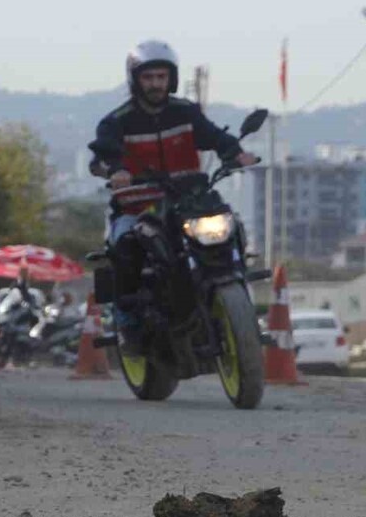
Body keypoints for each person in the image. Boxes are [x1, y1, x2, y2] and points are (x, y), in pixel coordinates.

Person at [87, 40, 259, 350]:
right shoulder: (116, 121)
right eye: (148, 77)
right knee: (127, 244)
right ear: (135, 80)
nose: (155, 84)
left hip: (188, 200)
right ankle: (127, 320)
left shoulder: (186, 112)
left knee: (230, 224)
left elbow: (214, 136)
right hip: (138, 206)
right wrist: (114, 171)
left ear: (171, 79)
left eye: (161, 77)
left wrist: (235, 152)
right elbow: (99, 158)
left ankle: (236, 283)